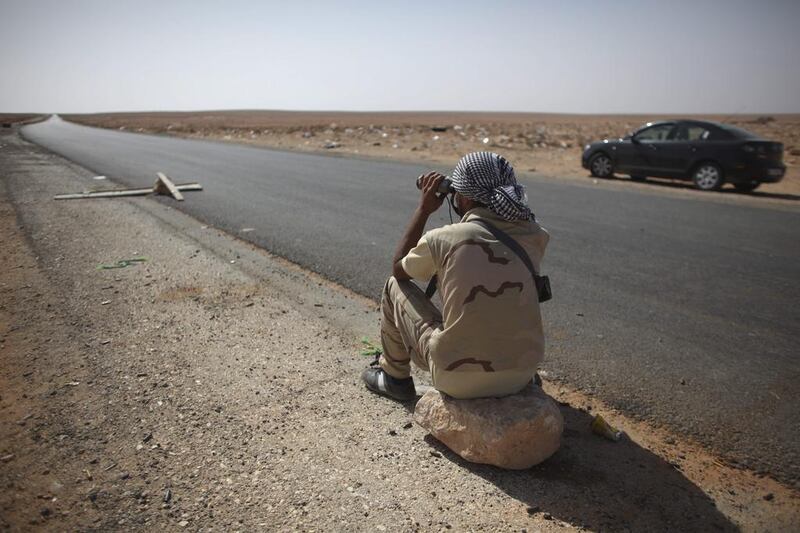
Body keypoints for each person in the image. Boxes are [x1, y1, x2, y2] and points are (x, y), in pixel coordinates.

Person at [362, 152, 550, 401]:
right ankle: (512, 370)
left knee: (393, 285)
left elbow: (398, 267)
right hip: (522, 375)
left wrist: (424, 209)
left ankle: (394, 377)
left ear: (465, 196)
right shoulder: (534, 235)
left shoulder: (444, 238)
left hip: (457, 379)